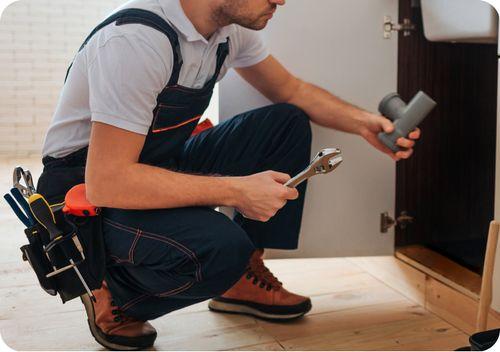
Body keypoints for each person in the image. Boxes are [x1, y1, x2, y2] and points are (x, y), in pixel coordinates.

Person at [38, 0, 421, 349]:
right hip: (85, 192)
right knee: (222, 249)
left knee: (285, 123)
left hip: (153, 160)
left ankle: (242, 280)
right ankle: (115, 290)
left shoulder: (227, 32)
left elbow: (292, 90)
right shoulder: (136, 42)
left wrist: (364, 124)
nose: (281, 1)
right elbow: (109, 182)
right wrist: (236, 191)